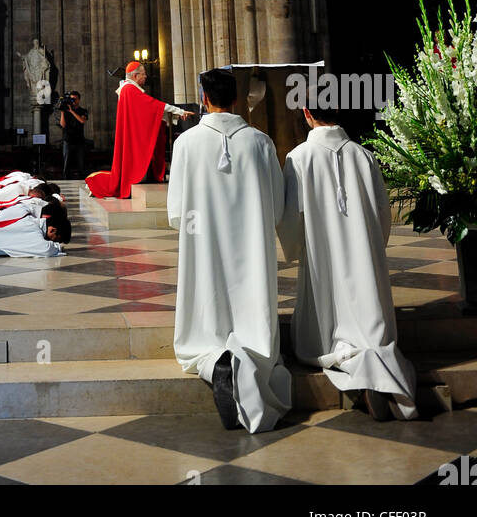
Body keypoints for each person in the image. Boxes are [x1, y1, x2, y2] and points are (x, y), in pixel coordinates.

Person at [167, 68, 291, 434]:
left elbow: (176, 212)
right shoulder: (260, 141)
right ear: (236, 100)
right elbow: (277, 207)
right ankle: (249, 348)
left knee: (206, 305)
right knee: (252, 304)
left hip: (203, 243)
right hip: (251, 246)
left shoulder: (186, 144)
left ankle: (215, 357)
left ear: (205, 99)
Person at [278, 105, 418, 422]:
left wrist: (297, 246)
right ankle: (377, 369)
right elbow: (383, 213)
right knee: (371, 323)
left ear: (306, 112)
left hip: (321, 256)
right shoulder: (364, 156)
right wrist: (370, 247)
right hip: (363, 257)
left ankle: (357, 366)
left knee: (324, 328)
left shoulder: (298, 158)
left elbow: (290, 219)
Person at [86, 61, 187, 199]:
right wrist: (179, 111)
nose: (146, 77)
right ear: (135, 75)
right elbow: (153, 106)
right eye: (143, 74)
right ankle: (97, 184)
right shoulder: (129, 89)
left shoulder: (128, 89)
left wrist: (171, 115)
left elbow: (146, 110)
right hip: (132, 134)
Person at [60, 91, 88, 179]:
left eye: (75, 99)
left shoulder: (83, 111)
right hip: (68, 139)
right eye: (71, 99)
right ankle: (65, 178)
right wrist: (62, 113)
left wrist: (72, 111)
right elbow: (63, 125)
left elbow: (82, 121)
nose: (73, 101)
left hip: (79, 140)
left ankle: (81, 179)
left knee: (81, 162)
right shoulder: (66, 111)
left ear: (79, 100)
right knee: (66, 162)